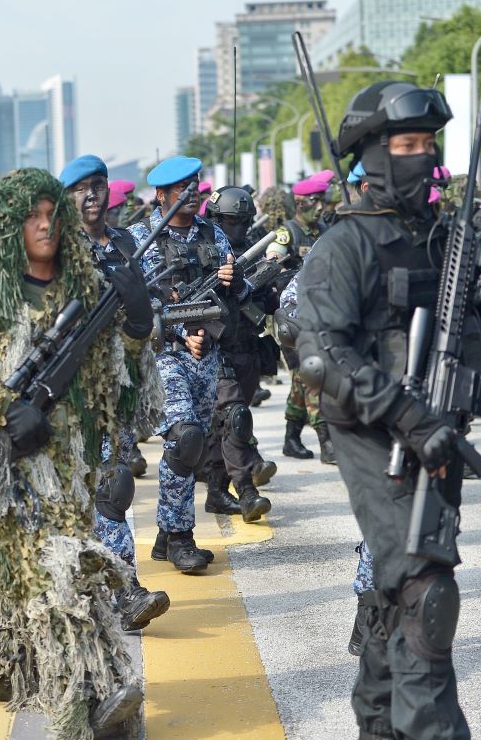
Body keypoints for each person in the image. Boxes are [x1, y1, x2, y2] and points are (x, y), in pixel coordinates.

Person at [295, 80, 481, 740]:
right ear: (369, 154)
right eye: (405, 146)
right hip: (376, 436)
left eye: (429, 145)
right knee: (427, 588)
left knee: (396, 585)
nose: (422, 158)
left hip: (439, 437)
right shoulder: (345, 244)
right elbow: (318, 350)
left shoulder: (447, 240)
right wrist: (405, 412)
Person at [0, 167, 145, 740]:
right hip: (12, 461)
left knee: (24, 565)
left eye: (53, 212)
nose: (45, 224)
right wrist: (3, 411)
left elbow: (119, 386)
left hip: (70, 459)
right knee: (58, 567)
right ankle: (90, 695)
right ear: (10, 225)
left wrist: (137, 328)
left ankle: (7, 664)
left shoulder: (84, 287)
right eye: (32, 215)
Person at [60, 153, 168, 631]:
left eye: (98, 185)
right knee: (65, 502)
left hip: (117, 386)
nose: (91, 195)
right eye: (80, 188)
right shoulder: (55, 249)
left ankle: (124, 590)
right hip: (65, 391)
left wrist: (146, 315)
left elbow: (156, 307)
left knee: (112, 488)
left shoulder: (129, 242)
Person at [126, 156, 237, 575]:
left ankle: (163, 533)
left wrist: (233, 280)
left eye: (196, 187)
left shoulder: (214, 235)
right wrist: (176, 333)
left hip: (207, 356)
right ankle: (179, 537)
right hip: (163, 356)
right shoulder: (141, 238)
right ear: (161, 195)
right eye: (181, 190)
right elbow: (133, 306)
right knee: (185, 437)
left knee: (191, 451)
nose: (192, 195)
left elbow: (235, 297)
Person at [202, 185, 278, 521]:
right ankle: (247, 492)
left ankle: (217, 492)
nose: (238, 229)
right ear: (216, 219)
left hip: (248, 348)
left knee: (228, 426)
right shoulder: (205, 253)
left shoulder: (253, 252)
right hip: (217, 351)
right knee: (236, 421)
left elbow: (269, 304)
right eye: (231, 222)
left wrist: (267, 284)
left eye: (243, 222)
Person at [271, 176, 333, 464]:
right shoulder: (288, 233)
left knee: (301, 378)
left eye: (322, 200)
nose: (320, 207)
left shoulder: (324, 231)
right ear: (300, 203)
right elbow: (271, 263)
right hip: (294, 315)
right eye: (314, 201)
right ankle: (326, 440)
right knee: (311, 374)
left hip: (321, 312)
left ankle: (291, 437)